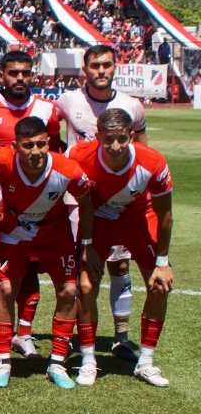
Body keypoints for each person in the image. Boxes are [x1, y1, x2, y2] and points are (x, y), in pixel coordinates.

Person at [0, 117, 96, 389]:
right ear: (15, 146)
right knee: (5, 289)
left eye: (42, 144)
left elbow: (86, 202)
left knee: (69, 291)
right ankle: (4, 361)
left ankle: (56, 362)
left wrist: (87, 244)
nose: (36, 151)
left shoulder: (67, 169)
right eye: (28, 145)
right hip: (15, 234)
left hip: (54, 234)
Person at [56, 44, 149, 362]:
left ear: (115, 67)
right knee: (82, 269)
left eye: (106, 65)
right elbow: (53, 140)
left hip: (118, 201)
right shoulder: (68, 101)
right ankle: (75, 337)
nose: (101, 71)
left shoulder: (131, 106)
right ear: (85, 68)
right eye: (94, 65)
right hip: (79, 202)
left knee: (120, 265)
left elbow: (143, 154)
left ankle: (121, 338)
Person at [69, 108, 174, 387]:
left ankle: (146, 362)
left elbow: (165, 215)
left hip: (140, 218)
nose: (115, 147)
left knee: (160, 285)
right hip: (100, 221)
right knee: (86, 286)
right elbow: (81, 203)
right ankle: (89, 360)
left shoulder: (152, 161)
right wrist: (87, 245)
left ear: (131, 135)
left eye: (122, 140)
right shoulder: (79, 156)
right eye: (108, 140)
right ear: (97, 137)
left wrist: (162, 261)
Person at [0, 50, 62, 358]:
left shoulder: (48, 110)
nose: (19, 78)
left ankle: (23, 334)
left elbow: (56, 153)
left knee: (29, 270)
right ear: (1, 75)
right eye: (13, 73)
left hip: (32, 204)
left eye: (25, 72)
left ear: (32, 74)